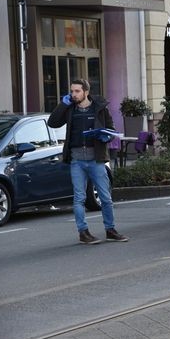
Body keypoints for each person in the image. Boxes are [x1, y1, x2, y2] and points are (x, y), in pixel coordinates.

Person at [48, 79, 129, 244]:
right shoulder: (70, 109)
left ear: (86, 92)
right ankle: (83, 232)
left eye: (77, 91)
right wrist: (62, 105)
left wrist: (105, 135)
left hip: (96, 158)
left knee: (105, 198)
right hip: (77, 159)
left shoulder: (99, 108)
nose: (73, 94)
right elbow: (53, 123)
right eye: (72, 91)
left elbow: (111, 129)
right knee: (79, 198)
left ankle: (110, 230)